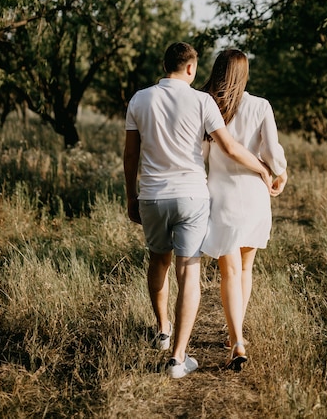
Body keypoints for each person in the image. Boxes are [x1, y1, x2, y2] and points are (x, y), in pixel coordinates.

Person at [123, 42, 271, 379]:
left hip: (152, 196)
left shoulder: (140, 99)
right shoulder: (202, 101)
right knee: (188, 269)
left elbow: (130, 155)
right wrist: (262, 170)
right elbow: (230, 147)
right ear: (191, 68)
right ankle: (178, 358)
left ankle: (163, 330)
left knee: (158, 259)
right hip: (191, 196)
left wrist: (131, 196)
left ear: (166, 65)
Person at [201, 49, 288, 370]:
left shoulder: (208, 105)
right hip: (254, 195)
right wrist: (280, 171)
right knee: (246, 270)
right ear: (244, 73)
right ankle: (234, 337)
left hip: (221, 196)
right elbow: (272, 151)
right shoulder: (260, 105)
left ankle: (236, 339)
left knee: (230, 272)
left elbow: (200, 152)